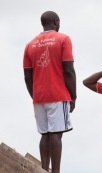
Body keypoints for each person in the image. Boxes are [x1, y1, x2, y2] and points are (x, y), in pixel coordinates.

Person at [23, 11, 76, 173]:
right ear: (56, 21)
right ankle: (56, 171)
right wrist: (73, 96)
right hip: (58, 94)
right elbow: (68, 70)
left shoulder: (29, 44)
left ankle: (44, 169)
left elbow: (27, 76)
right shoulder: (63, 39)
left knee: (44, 134)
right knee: (56, 134)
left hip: (39, 96)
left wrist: (35, 95)